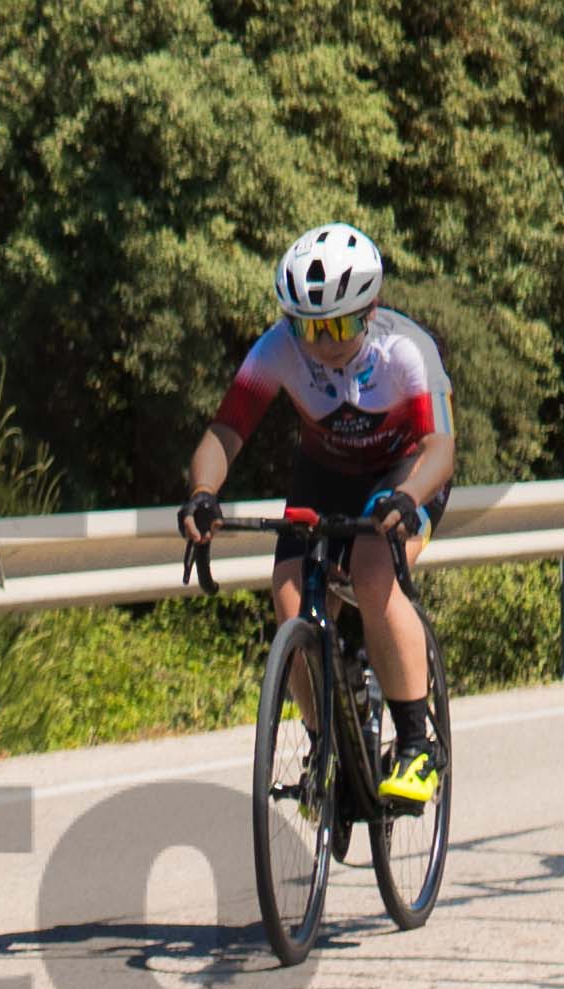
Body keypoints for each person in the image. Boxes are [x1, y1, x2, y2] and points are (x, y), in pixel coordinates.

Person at [178, 222, 450, 808]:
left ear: (371, 310)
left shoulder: (406, 350)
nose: (323, 342)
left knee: (375, 575)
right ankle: (328, 746)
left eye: (340, 325)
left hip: (404, 474)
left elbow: (441, 450)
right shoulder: (276, 349)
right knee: (288, 597)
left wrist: (407, 500)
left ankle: (415, 745)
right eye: (309, 327)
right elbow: (225, 432)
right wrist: (203, 490)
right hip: (327, 475)